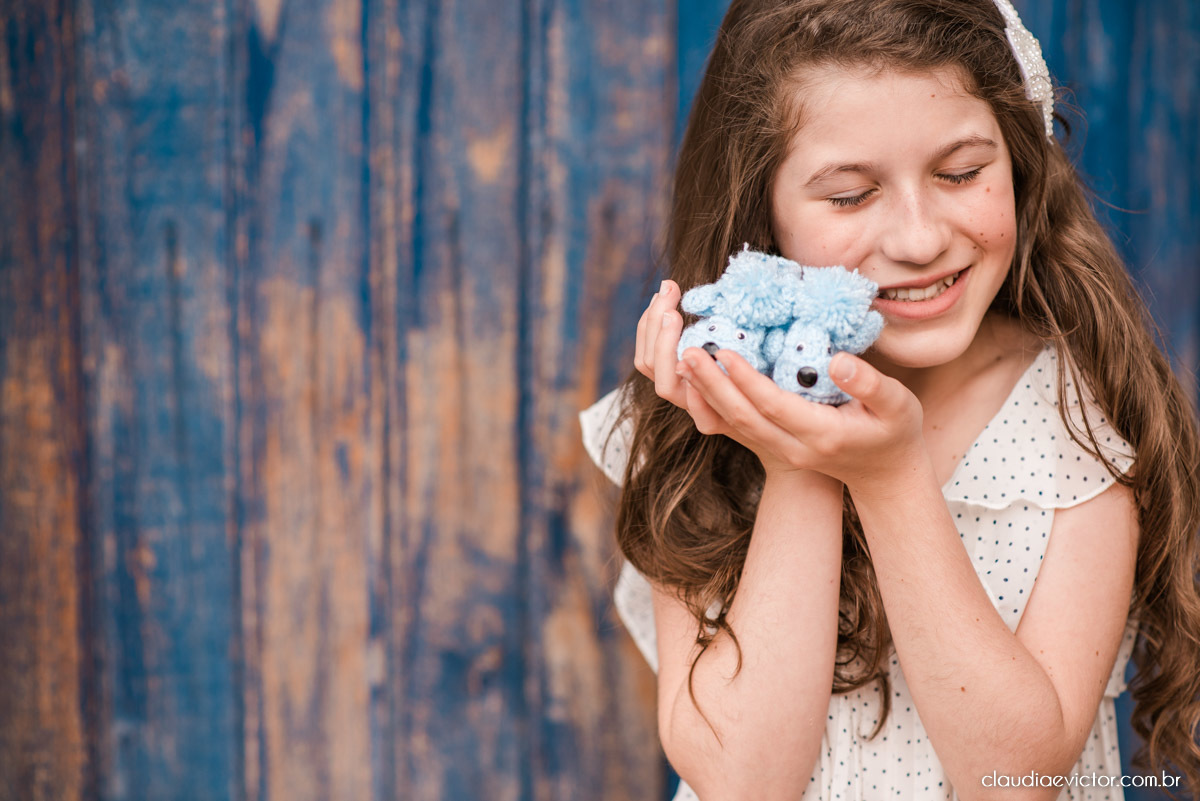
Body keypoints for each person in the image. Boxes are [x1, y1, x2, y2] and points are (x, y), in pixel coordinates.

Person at [578, 1, 1200, 799]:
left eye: (960, 174)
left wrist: (891, 478)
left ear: (1019, 161)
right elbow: (744, 779)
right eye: (849, 195)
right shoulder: (704, 414)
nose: (919, 238)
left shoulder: (1078, 421)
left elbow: (1015, 781)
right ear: (759, 208)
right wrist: (797, 456)